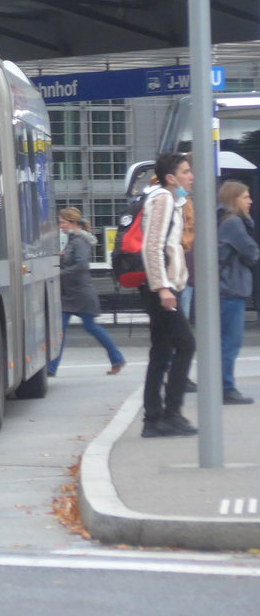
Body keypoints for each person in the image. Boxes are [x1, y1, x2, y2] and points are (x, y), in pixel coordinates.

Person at [138, 151, 197, 438]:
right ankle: (170, 414)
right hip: (161, 290)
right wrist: (163, 287)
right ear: (171, 178)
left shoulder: (172, 200)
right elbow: (152, 246)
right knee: (185, 344)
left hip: (164, 288)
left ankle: (154, 419)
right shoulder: (162, 198)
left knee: (161, 351)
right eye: (186, 172)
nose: (191, 176)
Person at [49, 208, 125, 376]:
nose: (60, 226)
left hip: (81, 293)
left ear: (73, 223)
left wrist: (60, 273)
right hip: (72, 293)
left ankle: (117, 358)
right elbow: (73, 260)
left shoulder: (79, 241)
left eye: (62, 222)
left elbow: (82, 265)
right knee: (62, 329)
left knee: (90, 327)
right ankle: (51, 368)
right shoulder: (74, 239)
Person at [217, 180, 258, 405]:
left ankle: (222, 385)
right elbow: (251, 253)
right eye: (245, 197)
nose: (250, 201)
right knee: (230, 343)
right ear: (234, 200)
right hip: (231, 288)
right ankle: (226, 388)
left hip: (225, 288)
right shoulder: (234, 223)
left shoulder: (223, 220)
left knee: (224, 341)